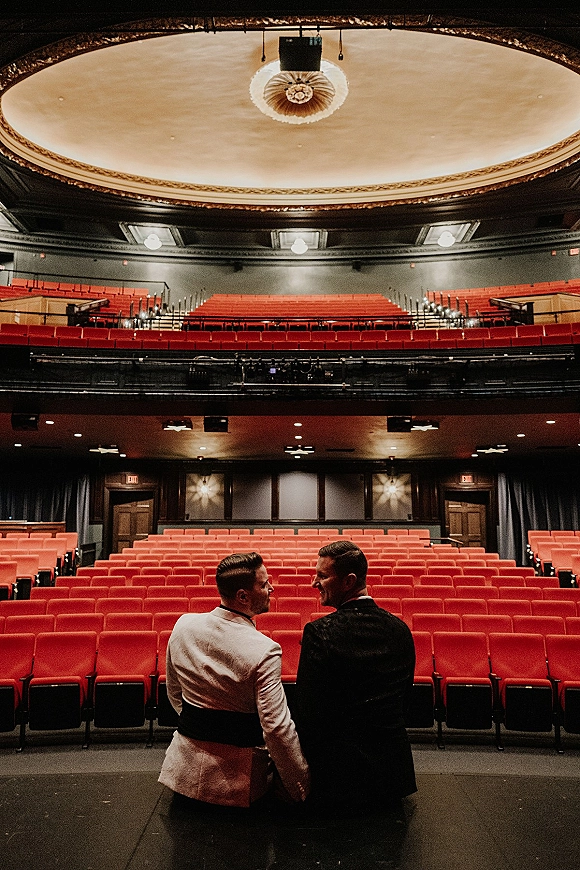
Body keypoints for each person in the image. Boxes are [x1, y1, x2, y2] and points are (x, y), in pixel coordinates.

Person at [158, 551, 310, 808]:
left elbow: (175, 692)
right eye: (263, 584)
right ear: (242, 596)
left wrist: (204, 726)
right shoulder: (265, 649)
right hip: (237, 784)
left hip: (182, 771)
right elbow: (276, 728)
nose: (271, 588)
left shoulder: (183, 625)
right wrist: (300, 784)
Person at [294, 539, 417, 813]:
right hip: (392, 775)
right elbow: (404, 699)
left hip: (338, 777)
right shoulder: (400, 629)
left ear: (348, 581)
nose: (314, 583)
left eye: (323, 576)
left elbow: (308, 709)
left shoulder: (319, 631)